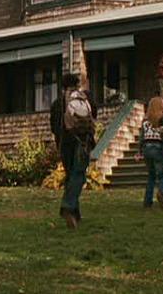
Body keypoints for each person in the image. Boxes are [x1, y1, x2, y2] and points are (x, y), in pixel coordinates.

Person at [49, 73, 97, 229]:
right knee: (79, 176)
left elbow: (54, 127)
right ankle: (69, 207)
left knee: (72, 176)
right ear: (77, 85)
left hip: (65, 143)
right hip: (83, 142)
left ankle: (74, 214)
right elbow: (94, 114)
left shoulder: (58, 103)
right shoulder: (85, 99)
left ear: (62, 87)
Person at [135, 96, 163, 209]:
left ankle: (147, 202)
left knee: (151, 176)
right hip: (157, 148)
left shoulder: (145, 122)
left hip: (147, 149)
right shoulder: (162, 120)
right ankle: (161, 192)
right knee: (162, 175)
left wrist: (139, 152)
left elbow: (141, 138)